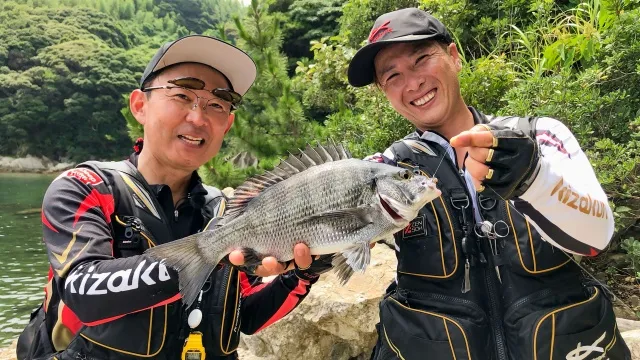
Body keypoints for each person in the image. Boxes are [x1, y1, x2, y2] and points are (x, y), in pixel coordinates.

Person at [16, 35, 328, 360]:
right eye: (181, 95)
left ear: (228, 124)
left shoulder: (226, 211)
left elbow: (245, 318)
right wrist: (208, 254)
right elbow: (84, 294)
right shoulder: (86, 186)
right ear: (140, 106)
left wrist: (303, 274)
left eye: (217, 105)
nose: (197, 117)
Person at [347, 8, 631, 360]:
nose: (412, 83)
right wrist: (301, 265)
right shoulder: (382, 170)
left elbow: (596, 236)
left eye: (421, 59)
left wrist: (534, 180)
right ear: (383, 91)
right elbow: (329, 242)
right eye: (393, 76)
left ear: (454, 57)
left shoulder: (539, 137)